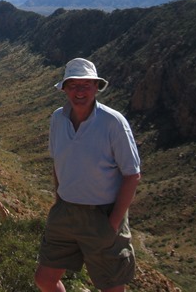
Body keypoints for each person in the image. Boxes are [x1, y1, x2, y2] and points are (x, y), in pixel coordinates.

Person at [34, 58, 141, 292]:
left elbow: (132, 175)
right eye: (73, 85)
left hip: (102, 214)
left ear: (96, 87)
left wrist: (112, 224)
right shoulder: (58, 119)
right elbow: (58, 162)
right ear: (64, 89)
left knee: (112, 287)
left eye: (86, 85)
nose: (79, 91)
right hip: (65, 213)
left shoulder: (113, 122)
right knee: (45, 279)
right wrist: (59, 201)